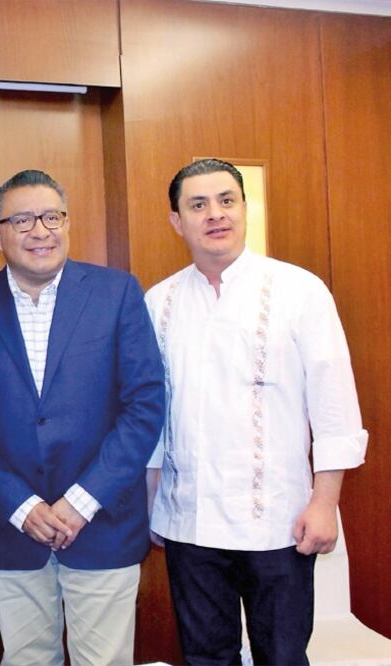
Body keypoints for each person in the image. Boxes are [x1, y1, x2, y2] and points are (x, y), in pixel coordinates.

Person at [145, 158, 368, 664]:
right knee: (206, 657)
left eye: (226, 201)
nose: (215, 214)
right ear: (177, 220)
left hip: (280, 522)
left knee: (283, 657)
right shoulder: (158, 302)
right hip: (190, 523)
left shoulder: (299, 290)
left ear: (245, 209)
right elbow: (152, 413)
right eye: (197, 205)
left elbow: (334, 406)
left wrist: (325, 502)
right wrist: (154, 500)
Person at [0, 169, 165, 666]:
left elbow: (145, 404)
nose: (40, 230)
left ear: (67, 223)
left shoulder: (117, 293)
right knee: (27, 658)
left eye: (52, 217)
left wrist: (81, 501)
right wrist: (21, 505)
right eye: (22, 219)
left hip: (102, 524)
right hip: (13, 528)